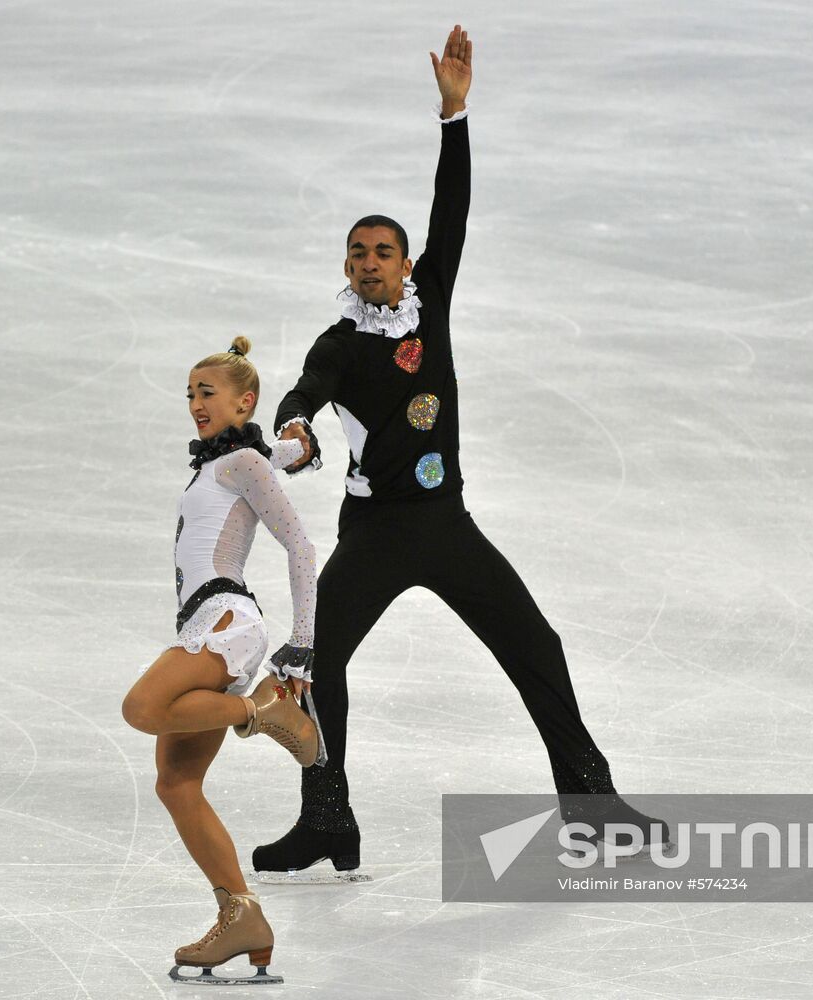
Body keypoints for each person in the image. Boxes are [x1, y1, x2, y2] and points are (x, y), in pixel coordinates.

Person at [254, 26, 665, 880]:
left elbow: (454, 206)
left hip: (447, 525)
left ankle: (591, 804)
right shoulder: (339, 343)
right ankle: (329, 820)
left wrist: (455, 115)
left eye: (384, 251)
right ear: (347, 265)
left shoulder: (428, 301)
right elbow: (303, 393)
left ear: (407, 266)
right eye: (358, 253)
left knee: (536, 649)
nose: (371, 263)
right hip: (372, 534)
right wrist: (294, 430)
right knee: (321, 667)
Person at [121, 336, 321, 984]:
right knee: (176, 783)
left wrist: (303, 643)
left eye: (208, 393)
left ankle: (263, 710)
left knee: (144, 707)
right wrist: (300, 447)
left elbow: (299, 545)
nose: (195, 404)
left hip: (228, 622)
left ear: (245, 400)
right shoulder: (236, 458)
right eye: (190, 394)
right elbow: (281, 453)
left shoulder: (238, 460)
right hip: (210, 623)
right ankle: (241, 915)